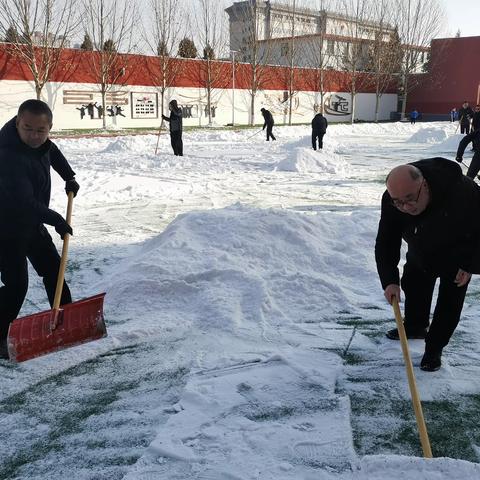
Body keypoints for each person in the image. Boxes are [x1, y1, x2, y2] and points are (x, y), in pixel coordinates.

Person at [375, 158, 480, 372]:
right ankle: (415, 326)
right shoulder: (393, 199)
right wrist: (389, 281)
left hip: (458, 251)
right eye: (398, 202)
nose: (405, 207)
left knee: (450, 300)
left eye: (410, 199)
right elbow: (387, 241)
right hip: (421, 246)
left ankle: (434, 348)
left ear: (424, 185)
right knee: (413, 283)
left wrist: (469, 263)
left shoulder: (460, 190)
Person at [0, 99, 80, 359]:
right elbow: (23, 202)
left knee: (54, 272)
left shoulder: (43, 142)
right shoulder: (7, 154)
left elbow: (52, 151)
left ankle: (66, 321)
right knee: (16, 286)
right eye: (28, 129)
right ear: (17, 123)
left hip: (32, 223)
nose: (34, 136)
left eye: (40, 130)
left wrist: (69, 176)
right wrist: (55, 219)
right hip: (8, 227)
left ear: (49, 128)